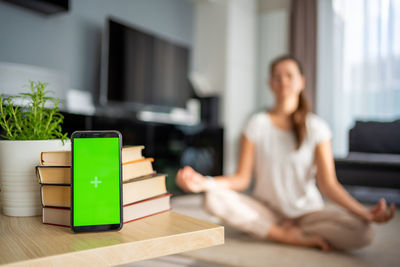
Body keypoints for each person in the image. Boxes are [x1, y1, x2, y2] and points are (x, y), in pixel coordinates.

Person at [176, 55, 395, 251]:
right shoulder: (256, 124)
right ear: (270, 84)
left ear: (301, 81)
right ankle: (285, 236)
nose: (283, 82)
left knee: (364, 232)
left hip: (308, 214)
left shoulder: (317, 128)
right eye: (277, 77)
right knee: (213, 199)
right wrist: (203, 182)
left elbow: (328, 184)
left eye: (289, 76)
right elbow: (242, 180)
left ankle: (277, 231)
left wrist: (363, 213)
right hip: (267, 211)